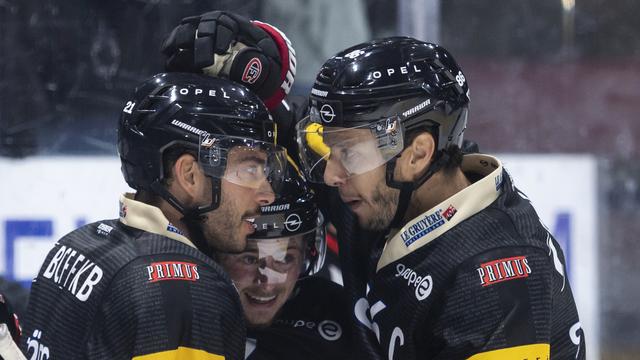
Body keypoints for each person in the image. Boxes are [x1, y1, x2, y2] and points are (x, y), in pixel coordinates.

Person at [296, 37, 587, 359]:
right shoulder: (405, 189)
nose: (330, 175)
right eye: (331, 150)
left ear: (418, 154)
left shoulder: (495, 277)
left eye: (347, 152)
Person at [20, 72, 289, 359]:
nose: (267, 193)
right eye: (250, 169)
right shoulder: (189, 290)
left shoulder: (74, 246)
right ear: (189, 175)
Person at [216, 162, 353, 360]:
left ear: (307, 255)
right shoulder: (189, 314)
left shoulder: (339, 311)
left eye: (285, 258)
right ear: (215, 255)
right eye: (249, 258)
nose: (267, 282)